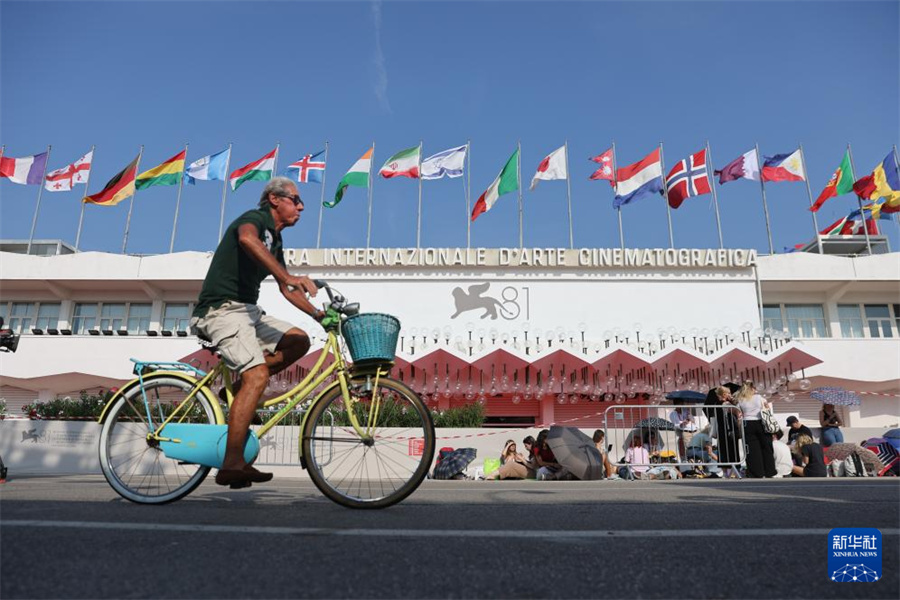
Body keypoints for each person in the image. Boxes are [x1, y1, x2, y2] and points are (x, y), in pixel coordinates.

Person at [190, 177, 321, 489]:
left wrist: (320, 315)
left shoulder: (275, 240)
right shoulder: (255, 219)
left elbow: (287, 289)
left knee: (298, 340)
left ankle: (234, 388)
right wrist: (289, 275)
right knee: (258, 376)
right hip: (220, 310)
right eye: (296, 199)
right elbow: (247, 240)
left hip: (248, 311)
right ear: (275, 199)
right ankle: (232, 463)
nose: (301, 206)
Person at [735, 381, 777, 478]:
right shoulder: (760, 398)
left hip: (747, 423)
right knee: (766, 447)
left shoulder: (740, 399)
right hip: (761, 422)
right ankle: (769, 471)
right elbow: (767, 409)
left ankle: (756, 472)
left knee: (752, 450)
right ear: (752, 388)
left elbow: (739, 415)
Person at [706, 386, 742, 476]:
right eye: (728, 393)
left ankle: (726, 472)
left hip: (721, 431)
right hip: (729, 430)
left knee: (723, 451)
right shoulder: (726, 404)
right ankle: (733, 472)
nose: (730, 395)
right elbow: (736, 411)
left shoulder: (715, 403)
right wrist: (734, 401)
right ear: (724, 394)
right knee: (732, 451)